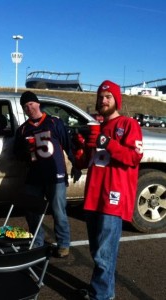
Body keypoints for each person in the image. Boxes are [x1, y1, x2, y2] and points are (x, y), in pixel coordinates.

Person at [74, 80, 143, 300]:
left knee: (105, 254)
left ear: (116, 100)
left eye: (108, 97)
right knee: (97, 252)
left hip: (113, 197)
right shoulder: (97, 127)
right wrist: (79, 147)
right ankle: (102, 292)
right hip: (93, 197)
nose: (103, 101)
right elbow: (85, 162)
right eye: (100, 97)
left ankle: (101, 296)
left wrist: (108, 142)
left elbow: (133, 157)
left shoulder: (129, 124)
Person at [14, 91, 80, 258]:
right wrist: (25, 151)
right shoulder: (23, 129)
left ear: (38, 104)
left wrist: (75, 164)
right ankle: (37, 241)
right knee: (31, 211)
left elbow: (67, 144)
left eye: (31, 104)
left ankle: (63, 244)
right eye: (25, 106)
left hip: (55, 175)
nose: (29, 108)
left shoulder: (54, 122)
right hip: (34, 176)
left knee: (58, 211)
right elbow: (16, 154)